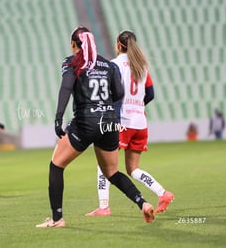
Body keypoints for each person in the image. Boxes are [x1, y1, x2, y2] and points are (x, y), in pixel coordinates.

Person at [36, 27, 155, 228]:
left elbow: (66, 87)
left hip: (86, 121)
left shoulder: (72, 62)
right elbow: (118, 93)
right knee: (113, 173)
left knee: (56, 165)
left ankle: (57, 219)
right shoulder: (108, 65)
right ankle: (142, 203)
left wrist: (58, 118)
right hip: (109, 123)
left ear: (74, 44)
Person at [85, 30, 174, 217]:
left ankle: (103, 207)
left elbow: (110, 93)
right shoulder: (142, 66)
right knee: (133, 169)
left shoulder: (113, 65)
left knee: (104, 165)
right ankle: (162, 193)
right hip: (140, 123)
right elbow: (150, 94)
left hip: (122, 123)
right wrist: (139, 106)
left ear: (118, 45)